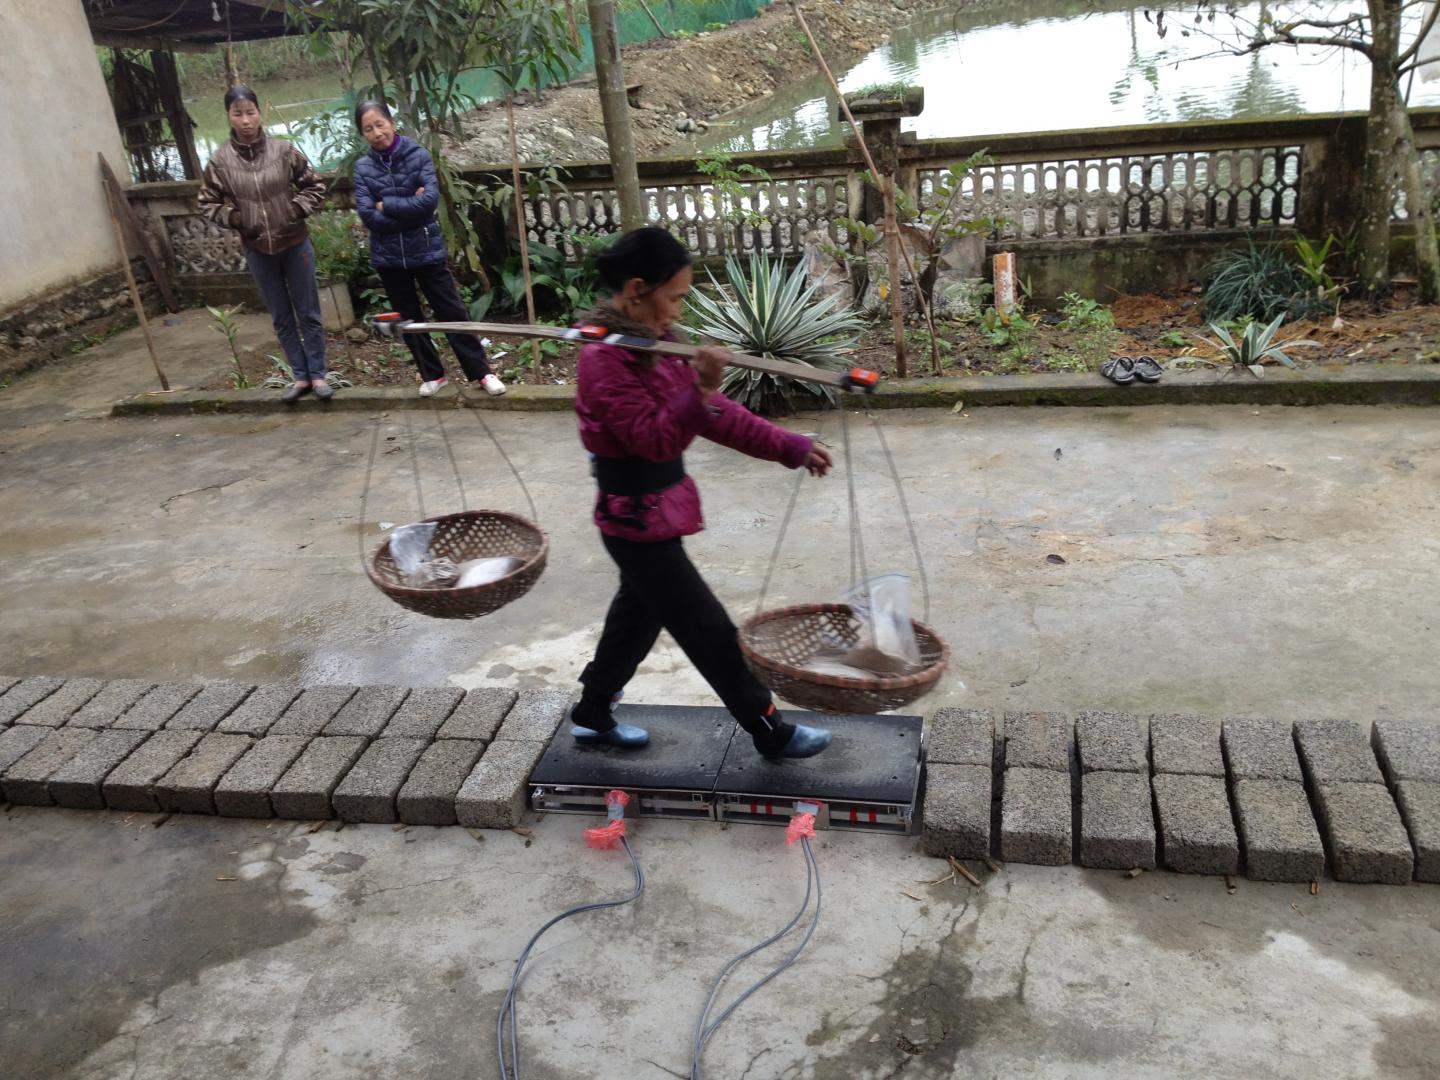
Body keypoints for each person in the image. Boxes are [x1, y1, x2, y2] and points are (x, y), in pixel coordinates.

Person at [570, 227, 834, 759]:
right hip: (634, 522)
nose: (677, 310)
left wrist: (789, 445)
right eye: (675, 297)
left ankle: (593, 711)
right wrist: (700, 389)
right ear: (638, 289)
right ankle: (769, 731)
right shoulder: (604, 359)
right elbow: (654, 438)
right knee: (708, 628)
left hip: (653, 515)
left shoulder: (657, 345)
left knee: (634, 622)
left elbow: (716, 416)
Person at [351, 101, 505, 398]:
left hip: (426, 248)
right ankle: (432, 375)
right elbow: (369, 216)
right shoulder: (362, 168)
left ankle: (482, 372)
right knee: (407, 318)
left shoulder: (417, 154)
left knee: (451, 311)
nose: (376, 132)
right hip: (389, 257)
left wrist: (388, 205)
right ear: (362, 134)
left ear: (391, 122)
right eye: (368, 129)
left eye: (380, 124)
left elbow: (428, 204)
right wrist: (407, 208)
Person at [198, 86, 331, 403]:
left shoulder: (284, 151)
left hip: (295, 243)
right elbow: (206, 203)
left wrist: (295, 210)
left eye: (250, 112)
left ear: (260, 113)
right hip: (257, 249)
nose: (245, 120)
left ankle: (319, 374)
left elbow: (315, 185)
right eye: (237, 113)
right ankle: (299, 376)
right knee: (281, 316)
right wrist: (237, 219)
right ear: (229, 117)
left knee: (308, 312)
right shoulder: (219, 162)